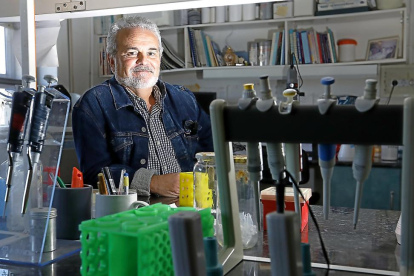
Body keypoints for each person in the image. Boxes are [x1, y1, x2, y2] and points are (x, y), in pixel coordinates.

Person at [72, 16, 213, 197]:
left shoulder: (183, 98)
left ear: (160, 58)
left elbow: (212, 152)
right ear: (112, 61)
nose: (143, 61)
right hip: (135, 212)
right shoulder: (93, 104)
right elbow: (94, 173)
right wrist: (153, 183)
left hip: (191, 204)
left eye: (151, 53)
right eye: (132, 53)